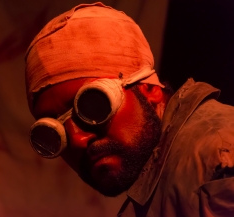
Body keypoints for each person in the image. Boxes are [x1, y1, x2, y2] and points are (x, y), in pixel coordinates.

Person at [24, 2, 234, 216]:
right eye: (53, 132)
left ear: (149, 89)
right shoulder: (167, 184)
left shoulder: (220, 161)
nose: (77, 140)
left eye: (91, 106)